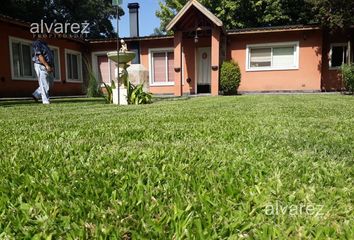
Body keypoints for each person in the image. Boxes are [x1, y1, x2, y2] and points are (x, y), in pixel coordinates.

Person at [32, 39, 54, 104]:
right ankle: (45, 101)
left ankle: (36, 94)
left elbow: (49, 57)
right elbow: (39, 55)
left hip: (48, 65)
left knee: (50, 84)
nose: (46, 35)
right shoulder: (37, 43)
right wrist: (46, 65)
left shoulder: (45, 45)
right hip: (41, 65)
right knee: (43, 83)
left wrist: (51, 66)